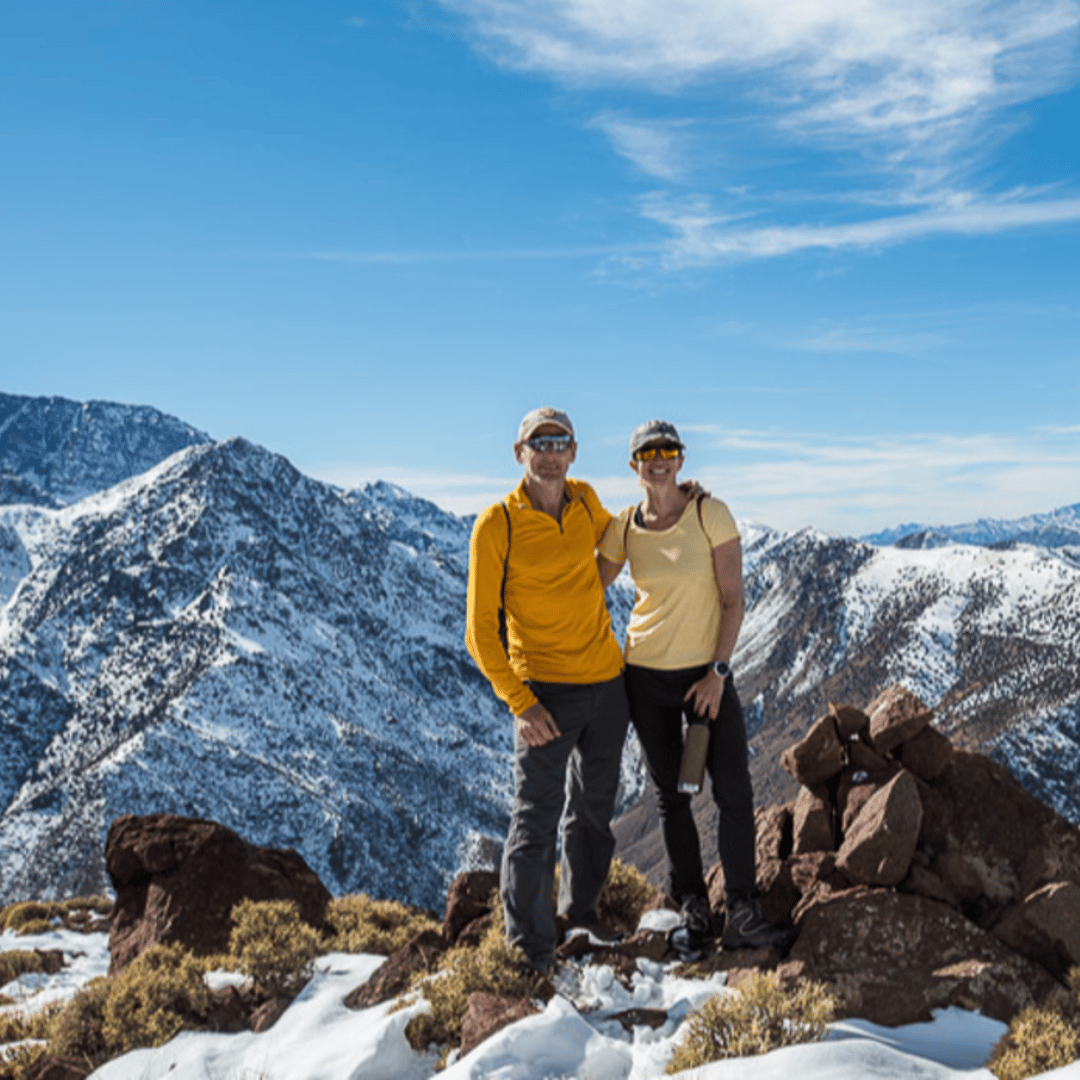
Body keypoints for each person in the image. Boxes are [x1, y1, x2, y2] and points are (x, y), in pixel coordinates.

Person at [596, 419, 788, 958]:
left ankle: (743, 910)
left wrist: (717, 674)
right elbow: (590, 583)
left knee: (733, 791)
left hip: (707, 675)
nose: (658, 460)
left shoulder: (710, 513)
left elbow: (734, 600)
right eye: (647, 453)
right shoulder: (623, 527)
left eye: (668, 451)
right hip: (645, 677)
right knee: (672, 797)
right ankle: (695, 913)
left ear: (680, 459)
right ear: (633, 466)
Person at [465, 407, 631, 974]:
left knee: (592, 812)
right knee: (535, 819)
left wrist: (594, 581)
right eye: (539, 442)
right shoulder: (497, 525)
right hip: (546, 694)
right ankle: (530, 950)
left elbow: (618, 540)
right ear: (520, 453)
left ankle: (578, 919)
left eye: (559, 442)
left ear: (575, 451)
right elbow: (479, 631)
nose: (550, 451)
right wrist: (521, 701)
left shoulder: (584, 499)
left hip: (608, 684)